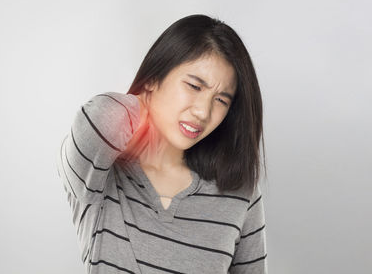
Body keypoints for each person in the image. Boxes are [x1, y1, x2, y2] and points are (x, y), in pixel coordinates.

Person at [56, 14, 268, 273]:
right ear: (155, 78)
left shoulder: (239, 192)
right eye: (194, 86)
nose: (203, 111)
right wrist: (144, 100)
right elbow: (98, 115)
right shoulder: (100, 173)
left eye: (221, 100)